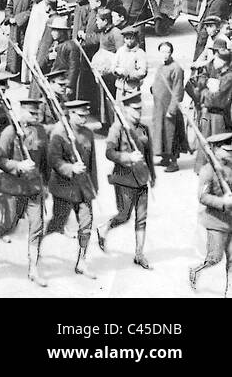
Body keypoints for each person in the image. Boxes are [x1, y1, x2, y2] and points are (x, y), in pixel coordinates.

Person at [0, 93, 51, 285]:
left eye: (37, 112)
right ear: (21, 112)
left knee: (37, 226)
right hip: (13, 187)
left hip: (34, 187)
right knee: (9, 225)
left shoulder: (41, 131)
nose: (35, 116)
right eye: (31, 113)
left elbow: (45, 160)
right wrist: (17, 166)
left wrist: (46, 183)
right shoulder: (9, 132)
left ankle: (33, 269)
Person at [97, 89, 156, 269]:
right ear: (126, 110)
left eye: (140, 109)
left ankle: (139, 254)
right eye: (134, 110)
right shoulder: (118, 128)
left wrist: (152, 175)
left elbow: (149, 154)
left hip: (142, 178)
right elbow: (109, 152)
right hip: (124, 179)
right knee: (124, 216)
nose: (138, 113)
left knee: (142, 219)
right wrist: (127, 157)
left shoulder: (144, 129)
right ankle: (103, 229)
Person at [45, 98, 100, 279]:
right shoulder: (59, 133)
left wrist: (94, 187)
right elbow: (54, 160)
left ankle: (82, 261)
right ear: (70, 114)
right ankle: (36, 246)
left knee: (86, 224)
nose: (84, 119)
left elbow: (92, 164)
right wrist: (70, 168)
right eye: (80, 115)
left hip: (83, 188)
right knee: (57, 223)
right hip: (64, 188)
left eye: (86, 115)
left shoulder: (88, 134)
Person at [189, 130, 232, 296]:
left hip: (231, 220)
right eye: (227, 150)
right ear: (215, 150)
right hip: (215, 222)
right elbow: (202, 196)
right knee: (215, 257)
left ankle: (228, 292)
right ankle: (196, 271)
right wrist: (223, 202)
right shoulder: (208, 170)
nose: (230, 153)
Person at [152, 41, 187, 172]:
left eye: (167, 51)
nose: (164, 54)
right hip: (159, 108)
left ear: (171, 52)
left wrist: (172, 110)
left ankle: (174, 162)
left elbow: (178, 90)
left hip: (169, 108)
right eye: (162, 51)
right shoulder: (161, 66)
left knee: (171, 135)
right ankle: (164, 158)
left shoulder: (176, 68)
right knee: (161, 133)